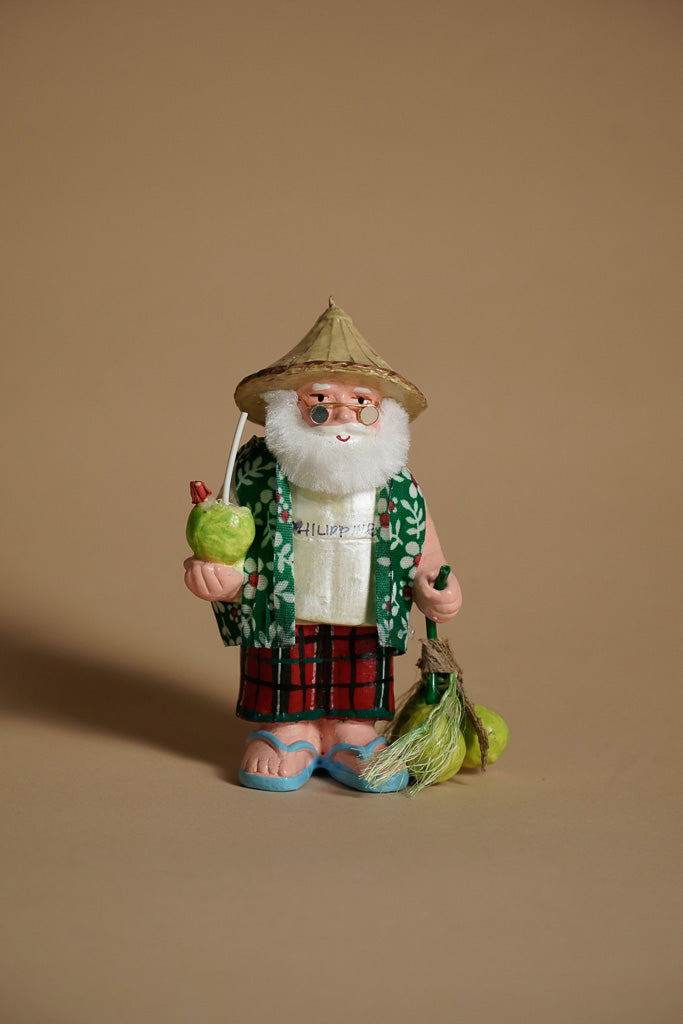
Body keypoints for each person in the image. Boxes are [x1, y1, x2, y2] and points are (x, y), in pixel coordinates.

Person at [184, 300, 461, 792]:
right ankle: (288, 731)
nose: (342, 416)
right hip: (285, 608)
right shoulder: (255, 475)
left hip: (366, 609)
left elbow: (423, 548)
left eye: (361, 401)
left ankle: (352, 731)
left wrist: (434, 584)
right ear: (284, 407)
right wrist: (220, 575)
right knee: (287, 670)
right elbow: (228, 539)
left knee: (359, 670)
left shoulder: (397, 484)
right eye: (320, 399)